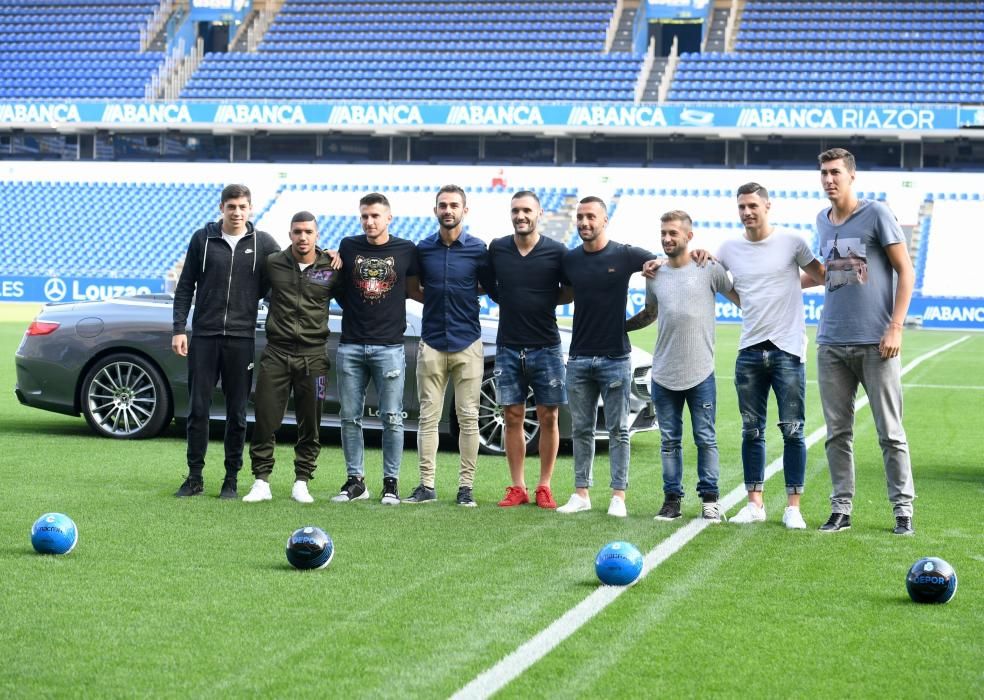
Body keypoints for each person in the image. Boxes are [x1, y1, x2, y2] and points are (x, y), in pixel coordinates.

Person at [814, 148, 916, 535]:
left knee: (890, 432)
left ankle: (902, 510)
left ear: (852, 176)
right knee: (837, 433)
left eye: (835, 172)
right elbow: (833, 273)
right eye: (823, 173)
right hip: (831, 344)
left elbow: (905, 271)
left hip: (877, 343)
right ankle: (841, 509)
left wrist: (896, 326)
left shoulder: (876, 214)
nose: (828, 179)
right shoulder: (821, 221)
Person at [717, 183, 826, 530]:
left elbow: (822, 275)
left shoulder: (792, 242)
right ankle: (755, 503)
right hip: (748, 350)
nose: (747, 212)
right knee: (752, 431)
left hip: (788, 349)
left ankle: (793, 506)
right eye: (741, 207)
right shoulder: (729, 249)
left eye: (753, 205)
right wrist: (745, 300)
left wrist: (790, 284)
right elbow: (721, 283)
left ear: (767, 206)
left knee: (793, 430)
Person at [626, 210, 734, 522]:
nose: (667, 239)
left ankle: (710, 499)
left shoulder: (708, 267)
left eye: (673, 233)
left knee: (705, 438)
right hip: (664, 373)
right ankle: (672, 500)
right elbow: (649, 314)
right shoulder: (654, 274)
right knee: (669, 441)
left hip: (701, 372)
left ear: (689, 236)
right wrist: (618, 327)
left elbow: (738, 296)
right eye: (663, 233)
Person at [172, 184, 279, 499]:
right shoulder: (202, 240)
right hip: (204, 337)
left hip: (241, 339)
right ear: (221, 208)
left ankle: (231, 479)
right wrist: (180, 328)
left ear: (251, 209)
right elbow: (185, 286)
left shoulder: (263, 243)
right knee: (198, 409)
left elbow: (286, 274)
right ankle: (194, 477)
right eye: (231, 206)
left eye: (242, 206)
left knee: (236, 412)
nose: (237, 212)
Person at [557, 196, 654, 518]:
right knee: (581, 430)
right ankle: (581, 493)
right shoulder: (570, 260)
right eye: (580, 217)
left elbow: (659, 263)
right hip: (580, 357)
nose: (585, 222)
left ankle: (618, 496)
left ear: (604, 220)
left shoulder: (625, 255)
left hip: (615, 357)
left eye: (591, 217)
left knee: (618, 431)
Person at [242, 212, 341, 503]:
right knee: (265, 418)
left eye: (308, 232)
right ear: (290, 234)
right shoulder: (273, 263)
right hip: (277, 352)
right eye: (297, 232)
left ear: (317, 235)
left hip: (314, 356)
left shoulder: (331, 266)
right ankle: (261, 481)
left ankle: (302, 481)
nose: (303, 237)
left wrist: (339, 254)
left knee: (310, 422)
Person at [405, 184, 492, 507]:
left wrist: (460, 297)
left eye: (454, 205)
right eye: (443, 205)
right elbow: (413, 289)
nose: (448, 210)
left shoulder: (478, 249)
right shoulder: (423, 249)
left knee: (468, 417)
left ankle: (465, 487)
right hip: (432, 342)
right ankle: (426, 485)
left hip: (467, 342)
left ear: (464, 210)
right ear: (435, 210)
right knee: (428, 417)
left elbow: (485, 285)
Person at [331, 193, 420, 506]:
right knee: (349, 417)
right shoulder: (348, 246)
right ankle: (356, 481)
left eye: (376, 216)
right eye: (365, 216)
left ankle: (391, 483)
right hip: (351, 345)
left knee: (392, 417)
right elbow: (339, 287)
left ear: (389, 218)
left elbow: (416, 289)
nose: (370, 222)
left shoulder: (407, 250)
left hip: (390, 347)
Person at [488, 191, 572, 510]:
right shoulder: (498, 249)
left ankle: (544, 486)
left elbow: (570, 290)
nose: (520, 215)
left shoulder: (556, 251)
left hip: (547, 346)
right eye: (515, 210)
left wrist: (543, 300)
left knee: (548, 416)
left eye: (526, 210)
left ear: (539, 213)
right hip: (509, 345)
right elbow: (490, 285)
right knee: (512, 416)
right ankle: (518, 486)